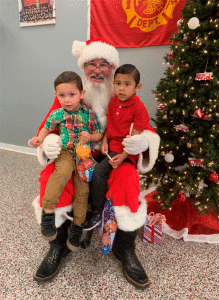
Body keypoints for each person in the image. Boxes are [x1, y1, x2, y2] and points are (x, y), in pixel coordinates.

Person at [32, 38, 160, 289]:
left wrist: (143, 143)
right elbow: (49, 124)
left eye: (104, 64)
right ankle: (58, 244)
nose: (98, 70)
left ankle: (125, 248)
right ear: (83, 67)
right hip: (74, 155)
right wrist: (49, 144)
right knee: (50, 177)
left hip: (114, 155)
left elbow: (147, 130)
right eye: (92, 63)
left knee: (127, 180)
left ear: (113, 69)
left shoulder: (123, 92)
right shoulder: (72, 93)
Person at [29, 71, 103, 251]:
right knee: (60, 174)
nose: (67, 100)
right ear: (56, 95)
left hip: (84, 157)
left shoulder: (90, 114)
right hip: (66, 152)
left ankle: (77, 227)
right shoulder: (57, 114)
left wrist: (91, 137)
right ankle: (47, 214)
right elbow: (47, 127)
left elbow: (100, 134)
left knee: (82, 191)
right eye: (62, 95)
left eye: (72, 95)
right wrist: (40, 139)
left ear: (82, 94)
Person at [83, 64, 151, 231]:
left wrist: (123, 156)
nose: (122, 88)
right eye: (118, 83)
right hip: (111, 147)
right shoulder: (113, 103)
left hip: (126, 150)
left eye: (127, 84)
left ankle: (97, 211)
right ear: (113, 84)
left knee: (99, 172)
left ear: (137, 87)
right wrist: (105, 140)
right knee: (89, 167)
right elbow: (110, 126)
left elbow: (135, 138)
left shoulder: (138, 107)